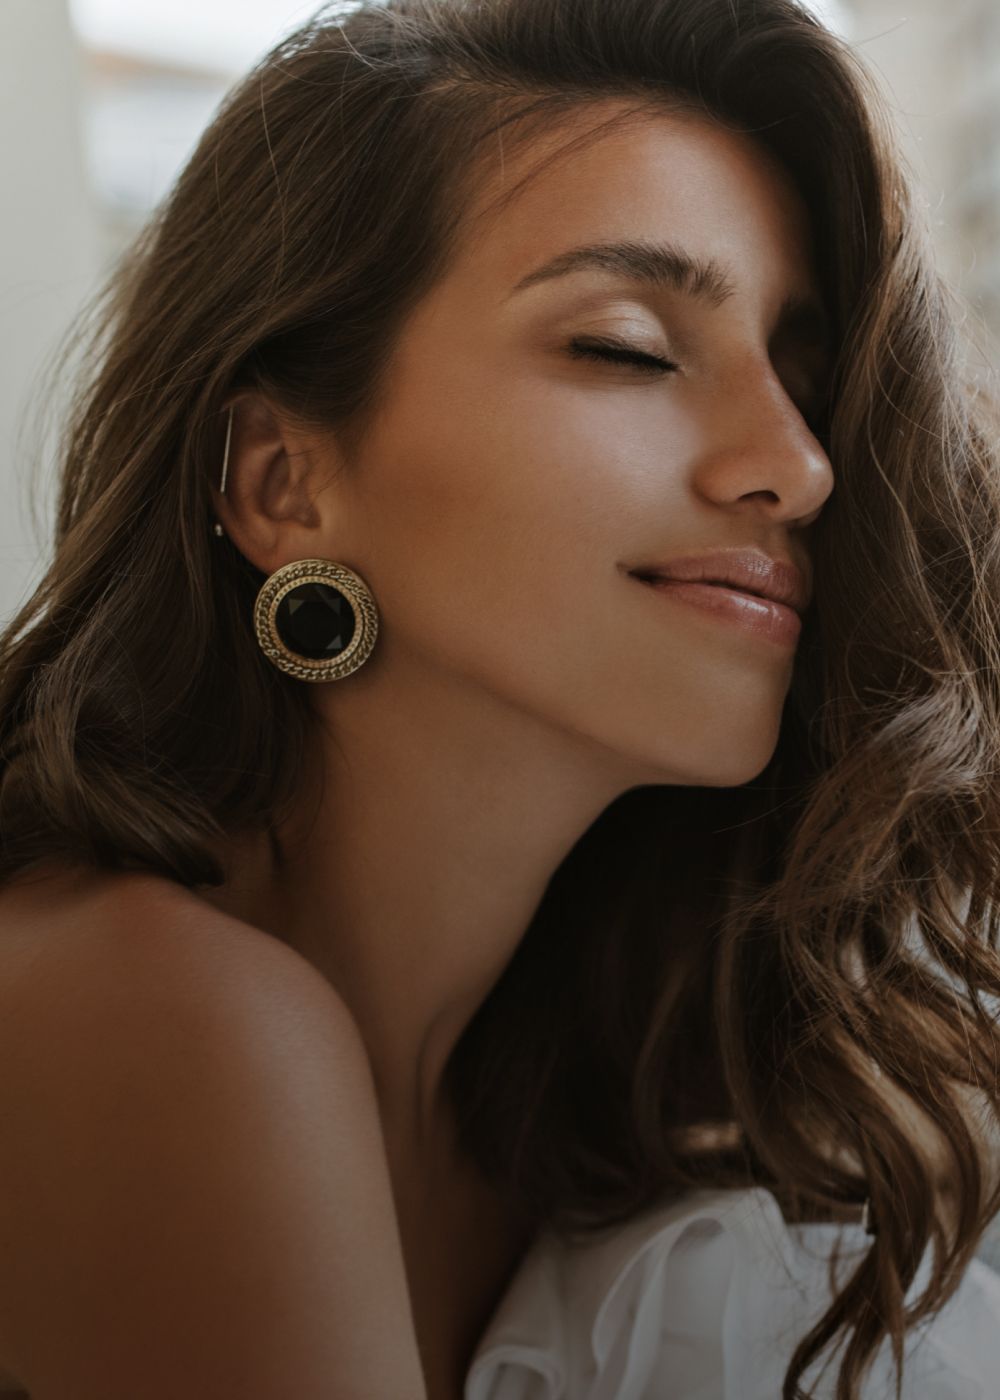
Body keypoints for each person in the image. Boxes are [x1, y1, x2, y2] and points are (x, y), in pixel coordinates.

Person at [1, 0, 999, 1395]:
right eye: (630, 349)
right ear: (284, 485)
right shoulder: (148, 1016)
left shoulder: (586, 1107)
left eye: (806, 379)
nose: (798, 465)